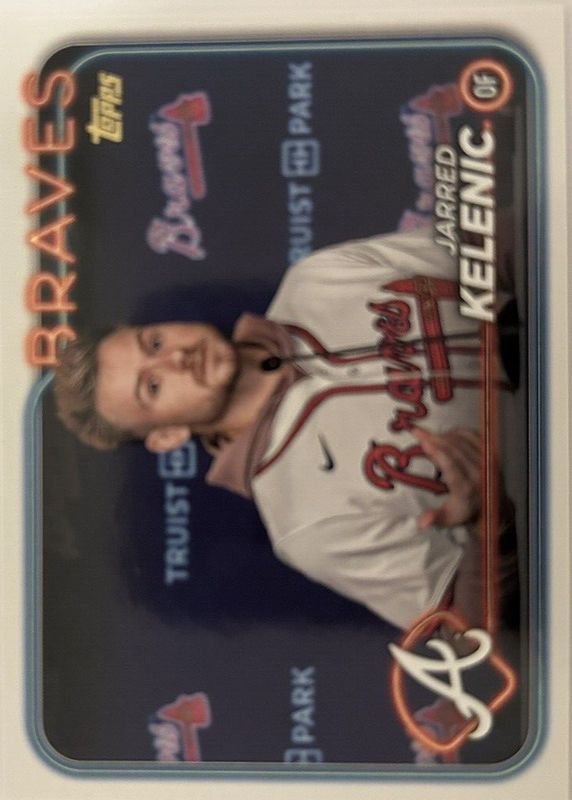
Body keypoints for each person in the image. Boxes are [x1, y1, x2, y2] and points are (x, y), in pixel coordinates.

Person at [55, 227, 515, 633]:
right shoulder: (307, 525)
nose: (176, 358)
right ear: (167, 436)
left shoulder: (318, 280)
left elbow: (497, 242)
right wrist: (490, 525)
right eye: (153, 386)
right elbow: (468, 629)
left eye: (154, 342)